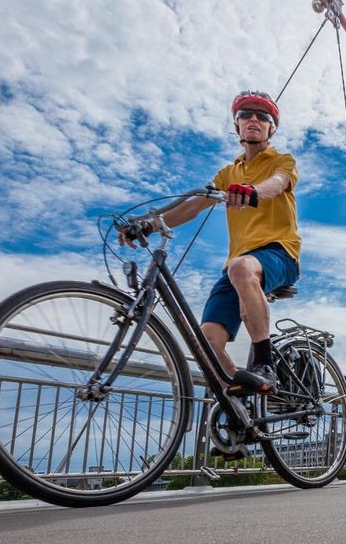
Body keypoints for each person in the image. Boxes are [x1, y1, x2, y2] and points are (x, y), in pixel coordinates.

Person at [121, 90, 300, 397]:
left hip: (279, 253)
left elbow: (277, 184)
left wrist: (252, 191)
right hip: (237, 266)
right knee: (204, 343)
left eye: (263, 116)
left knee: (241, 268)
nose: (253, 120)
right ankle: (245, 405)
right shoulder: (227, 173)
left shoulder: (282, 160)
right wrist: (150, 225)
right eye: (246, 115)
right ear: (237, 126)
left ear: (272, 128)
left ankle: (264, 361)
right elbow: (194, 204)